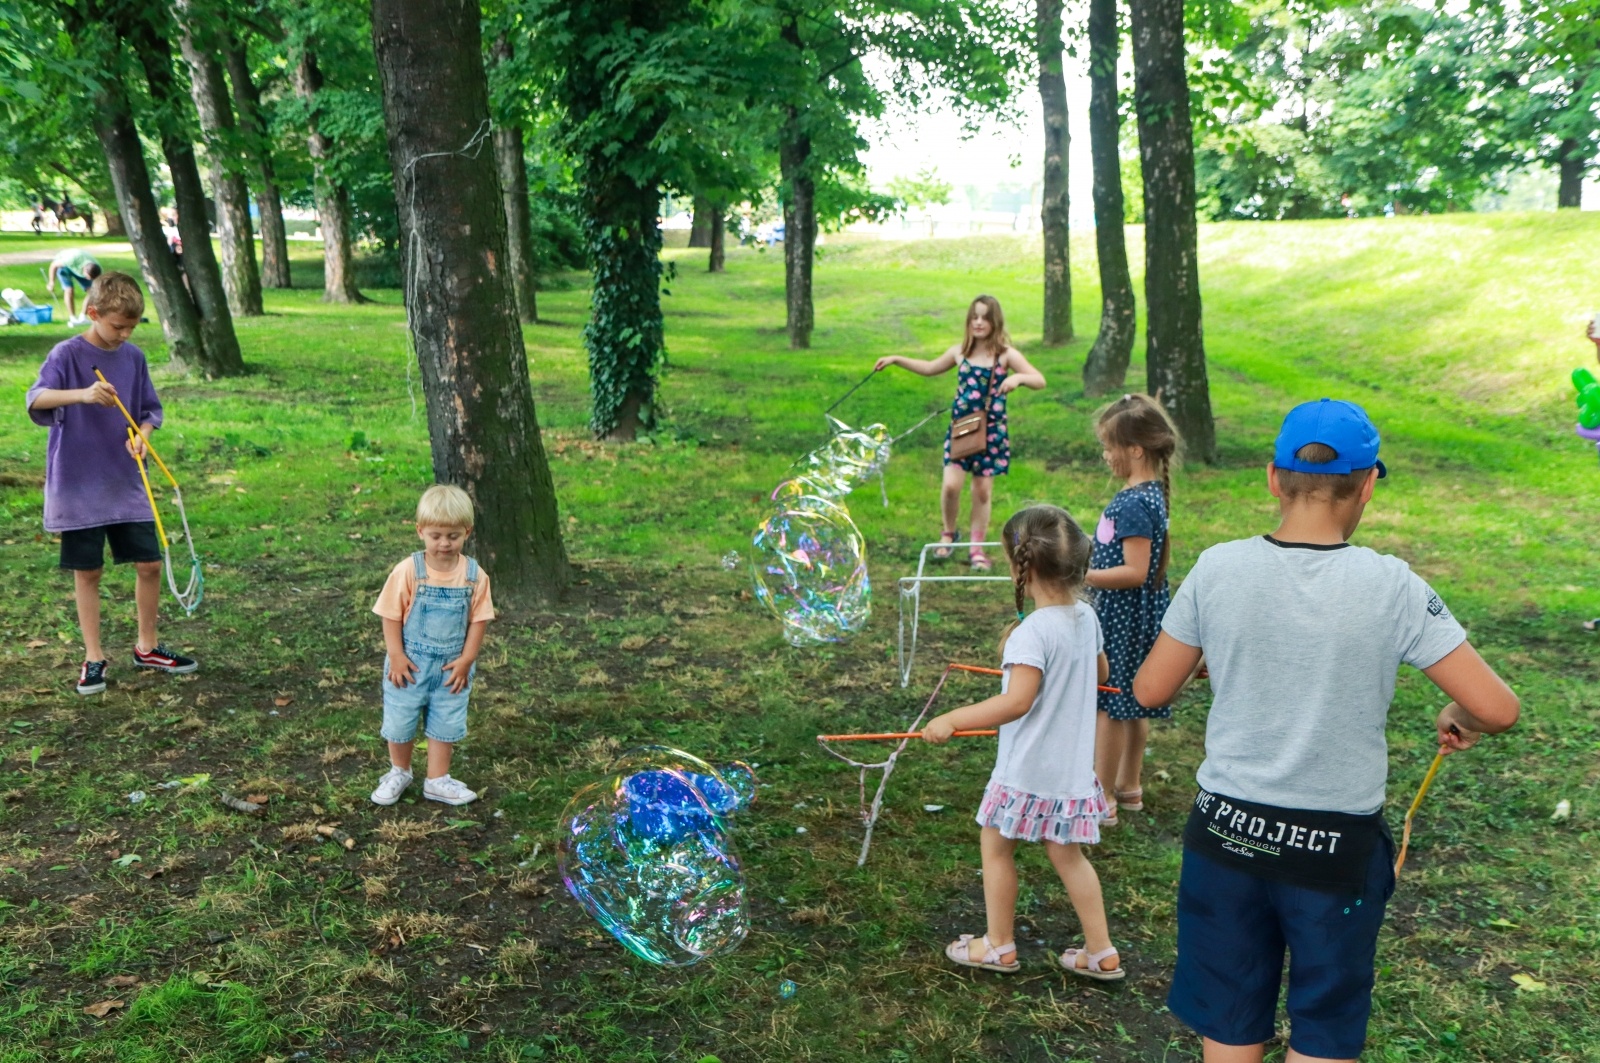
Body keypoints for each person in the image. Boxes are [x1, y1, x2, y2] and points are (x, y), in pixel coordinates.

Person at [1133, 398, 1520, 1063]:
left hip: (1227, 838)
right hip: (1334, 854)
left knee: (1229, 1020)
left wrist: (1220, 655)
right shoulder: (1391, 586)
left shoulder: (1218, 567)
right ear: (1368, 484)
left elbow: (1150, 688)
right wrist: (1460, 715)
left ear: (1271, 478)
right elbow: (1499, 707)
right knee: (1323, 1026)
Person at [923, 504, 1123, 980]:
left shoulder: (1031, 633)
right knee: (1067, 856)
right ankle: (1102, 952)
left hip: (1027, 770)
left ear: (1019, 566)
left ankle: (998, 945)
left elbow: (1016, 703)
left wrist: (953, 718)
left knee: (995, 848)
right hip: (1070, 772)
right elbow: (1101, 674)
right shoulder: (1086, 617)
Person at [25, 272, 199, 696]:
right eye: (116, 326)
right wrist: (82, 395)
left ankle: (148, 647)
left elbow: (149, 410)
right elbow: (36, 399)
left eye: (131, 327)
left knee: (150, 563)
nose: (123, 335)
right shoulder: (66, 354)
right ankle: (93, 657)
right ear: (93, 313)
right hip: (78, 484)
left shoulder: (133, 357)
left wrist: (143, 435)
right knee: (89, 572)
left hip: (124, 480)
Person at [874, 295, 1046, 570]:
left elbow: (1039, 379)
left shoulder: (1005, 355)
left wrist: (1017, 378)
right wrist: (896, 359)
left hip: (991, 434)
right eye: (974, 317)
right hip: (961, 432)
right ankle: (948, 533)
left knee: (981, 492)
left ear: (995, 322)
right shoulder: (960, 353)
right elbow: (929, 368)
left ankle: (976, 548)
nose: (979, 322)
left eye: (985, 317)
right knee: (951, 485)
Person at [1084, 393, 1180, 825]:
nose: (1105, 455)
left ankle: (1099, 797)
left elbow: (1135, 571)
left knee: (1110, 705)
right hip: (1135, 616)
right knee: (1132, 703)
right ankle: (1129, 787)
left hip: (1124, 618)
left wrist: (1079, 576)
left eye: (1109, 446)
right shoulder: (1146, 493)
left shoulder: (1135, 502)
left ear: (1135, 450)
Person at [370, 485, 495, 807]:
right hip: (408, 666)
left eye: (453, 535)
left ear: (466, 532)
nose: (444, 543)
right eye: (436, 535)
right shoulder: (409, 571)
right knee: (401, 719)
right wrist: (396, 656)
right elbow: (390, 615)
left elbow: (479, 620)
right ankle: (400, 771)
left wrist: (467, 659)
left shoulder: (474, 576)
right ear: (420, 531)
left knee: (446, 720)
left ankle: (437, 779)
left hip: (452, 669)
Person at [45, 247, 102, 327]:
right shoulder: (70, 260)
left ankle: (83, 317)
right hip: (65, 267)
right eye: (88, 277)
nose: (89, 279)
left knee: (92, 291)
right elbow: (53, 265)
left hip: (80, 267)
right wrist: (51, 282)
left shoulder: (96, 267)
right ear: (84, 270)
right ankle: (73, 318)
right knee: (69, 290)